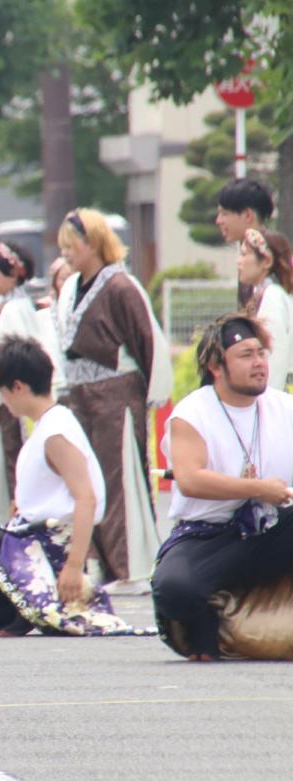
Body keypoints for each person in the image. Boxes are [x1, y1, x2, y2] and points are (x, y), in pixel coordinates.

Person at [0, 336, 145, 637]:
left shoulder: (56, 432)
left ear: (18, 387)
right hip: (28, 538)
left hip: (48, 547)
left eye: (4, 392)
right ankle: (25, 603)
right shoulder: (46, 426)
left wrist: (73, 566)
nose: (4, 401)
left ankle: (40, 594)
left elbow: (87, 498)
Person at [153, 313, 293, 660]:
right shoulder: (192, 414)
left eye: (261, 353)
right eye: (246, 355)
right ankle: (202, 635)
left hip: (272, 530)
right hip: (210, 537)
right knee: (174, 589)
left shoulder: (284, 407)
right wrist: (258, 489)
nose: (259, 363)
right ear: (216, 366)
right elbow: (189, 479)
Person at [55, 208, 172, 593]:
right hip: (80, 396)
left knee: (119, 478)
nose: (67, 254)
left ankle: (131, 567)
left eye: (72, 246)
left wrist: (153, 394)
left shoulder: (122, 286)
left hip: (116, 394)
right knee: (86, 481)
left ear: (92, 243)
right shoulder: (71, 286)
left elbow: (148, 342)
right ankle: (103, 563)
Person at [0, 241, 61, 530]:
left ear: (14, 272)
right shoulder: (26, 307)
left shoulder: (10, 310)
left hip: (4, 411)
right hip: (21, 408)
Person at [237, 228, 293, 390]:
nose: (239, 261)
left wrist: (265, 401)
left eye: (244, 254)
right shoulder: (264, 294)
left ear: (266, 261)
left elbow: (273, 356)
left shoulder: (272, 296)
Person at [216, 178, 275, 308]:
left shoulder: (275, 260)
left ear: (248, 215)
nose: (218, 221)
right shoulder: (250, 257)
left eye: (224, 213)